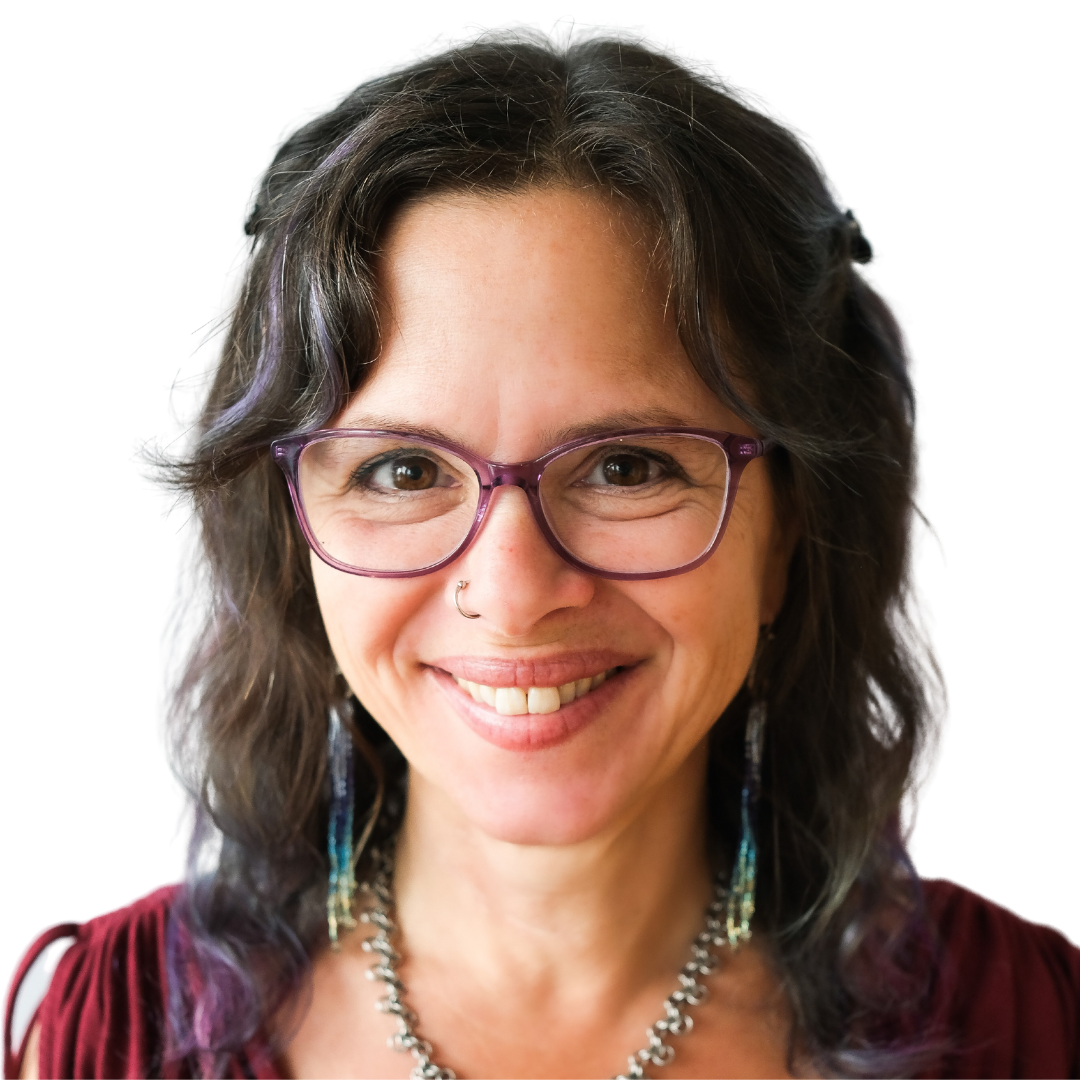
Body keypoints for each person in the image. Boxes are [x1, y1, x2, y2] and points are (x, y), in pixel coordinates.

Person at [5, 34, 1079, 1080]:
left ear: (792, 525)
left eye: (625, 468)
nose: (514, 596)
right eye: (403, 472)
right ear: (292, 531)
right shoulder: (105, 1042)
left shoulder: (1033, 1031)